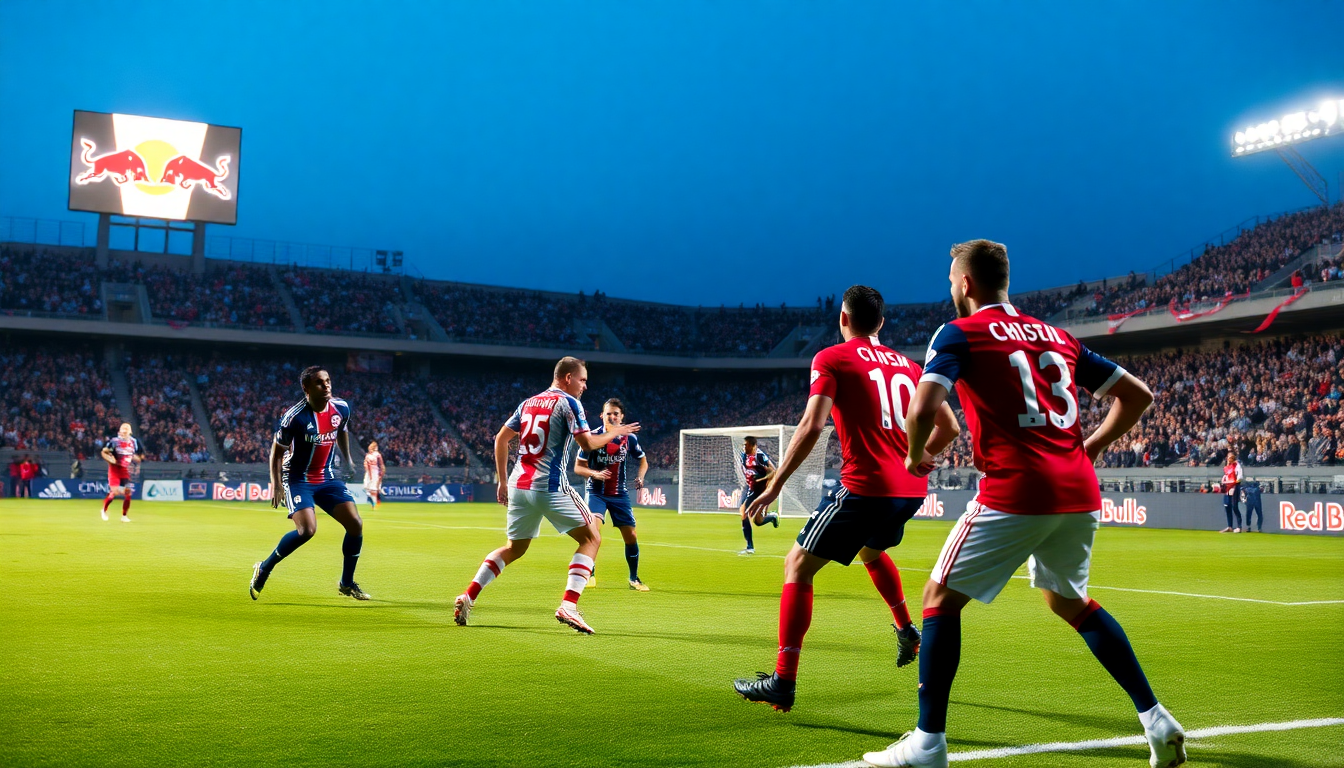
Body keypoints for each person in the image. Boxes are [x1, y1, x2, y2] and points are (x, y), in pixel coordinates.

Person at [860, 240, 1185, 768]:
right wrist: (1093, 447)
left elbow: (923, 407)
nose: (950, 287)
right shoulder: (1056, 335)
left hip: (1015, 489)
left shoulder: (959, 332)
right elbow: (1139, 395)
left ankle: (927, 743)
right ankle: (1156, 719)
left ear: (965, 283)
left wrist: (916, 456)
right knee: (1069, 601)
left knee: (939, 599)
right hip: (1078, 491)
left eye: (950, 279)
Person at [732, 285, 961, 713]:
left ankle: (783, 680)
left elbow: (812, 424)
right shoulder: (911, 368)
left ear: (843, 318)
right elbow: (949, 427)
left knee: (797, 565)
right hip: (908, 490)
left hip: (864, 486)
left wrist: (776, 485)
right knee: (871, 552)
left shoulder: (832, 357)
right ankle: (906, 629)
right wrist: (922, 457)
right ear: (881, 323)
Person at [453, 357, 639, 634]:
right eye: (583, 380)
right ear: (567, 378)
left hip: (518, 486)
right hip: (549, 486)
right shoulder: (569, 403)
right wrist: (616, 433)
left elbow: (500, 439)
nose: (585, 386)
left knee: (514, 548)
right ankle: (569, 605)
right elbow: (587, 444)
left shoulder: (527, 403)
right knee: (592, 538)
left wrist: (502, 482)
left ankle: (468, 596)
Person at [249, 366, 369, 601]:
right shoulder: (294, 417)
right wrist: (276, 485)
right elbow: (276, 453)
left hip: (326, 476)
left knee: (355, 524)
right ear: (306, 388)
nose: (326, 386)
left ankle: (346, 583)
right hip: (298, 478)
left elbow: (341, 430)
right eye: (319, 383)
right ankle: (264, 567)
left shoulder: (341, 408)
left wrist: (348, 459)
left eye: (328, 381)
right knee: (307, 531)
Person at [575, 398, 651, 591]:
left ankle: (634, 578)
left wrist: (640, 477)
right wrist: (595, 474)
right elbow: (578, 467)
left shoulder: (630, 439)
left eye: (616, 413)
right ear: (602, 416)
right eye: (608, 413)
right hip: (596, 492)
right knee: (593, 532)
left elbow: (643, 462)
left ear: (622, 416)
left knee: (631, 536)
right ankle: (589, 573)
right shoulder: (592, 437)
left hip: (619, 494)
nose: (612, 416)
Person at [737, 436, 780, 555]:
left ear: (753, 445)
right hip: (751, 488)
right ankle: (749, 547)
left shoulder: (760, 456)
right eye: (744, 445)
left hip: (762, 489)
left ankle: (772, 517)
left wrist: (762, 479)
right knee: (745, 514)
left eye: (746, 445)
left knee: (756, 520)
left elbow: (773, 471)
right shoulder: (743, 456)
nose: (744, 447)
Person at [100, 426, 143, 521]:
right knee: (115, 492)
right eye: (122, 431)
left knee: (128, 493)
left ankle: (124, 516)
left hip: (124, 470)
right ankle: (104, 510)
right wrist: (110, 459)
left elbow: (136, 455)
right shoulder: (114, 441)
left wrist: (136, 461)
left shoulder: (134, 442)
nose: (123, 433)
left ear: (130, 432)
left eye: (125, 431)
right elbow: (103, 452)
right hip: (114, 469)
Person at [1220, 452, 1243, 533]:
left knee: (1234, 506)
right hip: (1228, 487)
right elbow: (1226, 476)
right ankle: (1230, 526)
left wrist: (1235, 482)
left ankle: (1239, 526)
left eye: (1231, 458)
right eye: (1228, 457)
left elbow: (1240, 476)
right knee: (1227, 506)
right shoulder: (1227, 467)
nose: (1229, 459)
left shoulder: (1236, 465)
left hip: (1234, 486)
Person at [363, 440, 385, 508]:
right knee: (366, 486)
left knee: (373, 487)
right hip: (369, 472)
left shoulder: (377, 455)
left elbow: (381, 464)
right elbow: (365, 463)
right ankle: (371, 498)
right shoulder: (368, 455)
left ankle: (374, 503)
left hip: (375, 472)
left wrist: (382, 471)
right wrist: (366, 467)